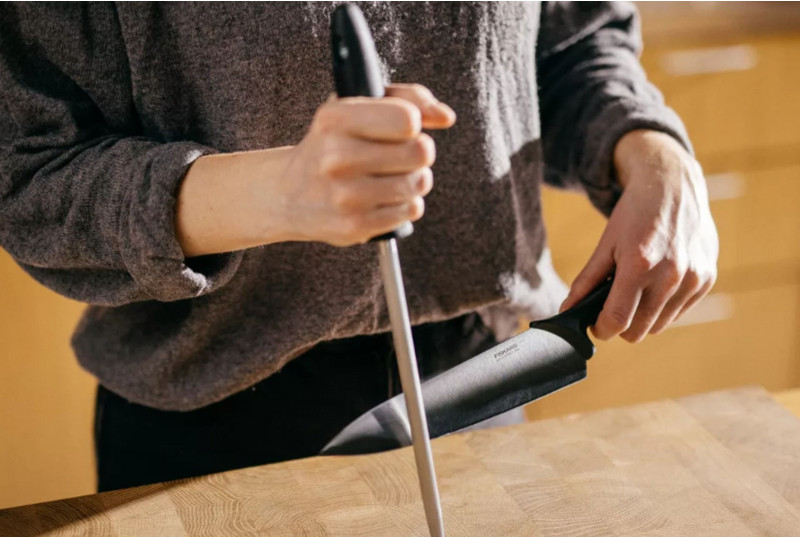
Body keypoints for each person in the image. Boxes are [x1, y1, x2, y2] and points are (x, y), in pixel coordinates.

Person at [0, 2, 718, 492]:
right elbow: (28, 174)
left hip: (485, 381)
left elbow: (571, 45)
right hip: (207, 420)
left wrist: (655, 151)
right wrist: (280, 191)